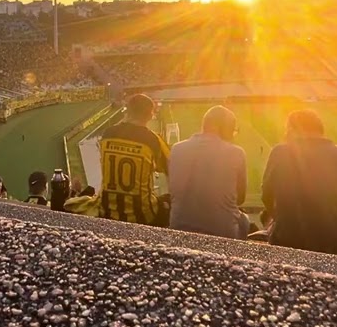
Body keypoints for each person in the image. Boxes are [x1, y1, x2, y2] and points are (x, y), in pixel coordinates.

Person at [262, 109, 337, 257]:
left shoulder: (279, 152)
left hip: (288, 243)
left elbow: (266, 196)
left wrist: (279, 219)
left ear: (292, 130)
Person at [168, 105, 250, 239]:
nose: (232, 135)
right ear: (222, 128)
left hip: (178, 228)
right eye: (232, 130)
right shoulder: (236, 153)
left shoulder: (176, 149)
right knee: (244, 221)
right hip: (222, 233)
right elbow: (240, 198)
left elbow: (175, 191)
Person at [97, 94, 170, 225]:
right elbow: (170, 169)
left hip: (106, 211)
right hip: (144, 215)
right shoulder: (153, 140)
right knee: (169, 201)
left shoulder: (107, 134)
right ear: (150, 115)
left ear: (128, 111)